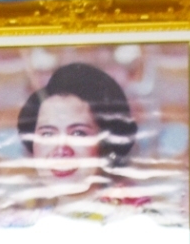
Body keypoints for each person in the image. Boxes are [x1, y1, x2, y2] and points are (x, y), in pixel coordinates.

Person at [15, 61, 137, 196]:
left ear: (106, 144)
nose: (61, 151)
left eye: (78, 133)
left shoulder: (134, 209)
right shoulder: (19, 207)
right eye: (47, 134)